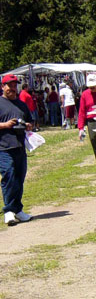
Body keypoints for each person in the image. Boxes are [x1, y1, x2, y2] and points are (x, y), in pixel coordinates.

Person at [0, 74, 33, 225]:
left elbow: (30, 121)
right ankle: (8, 211)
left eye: (15, 85)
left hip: (19, 146)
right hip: (3, 147)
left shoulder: (21, 104)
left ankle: (17, 210)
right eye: (9, 85)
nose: (12, 88)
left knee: (19, 178)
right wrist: (5, 125)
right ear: (3, 87)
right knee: (9, 176)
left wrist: (27, 125)